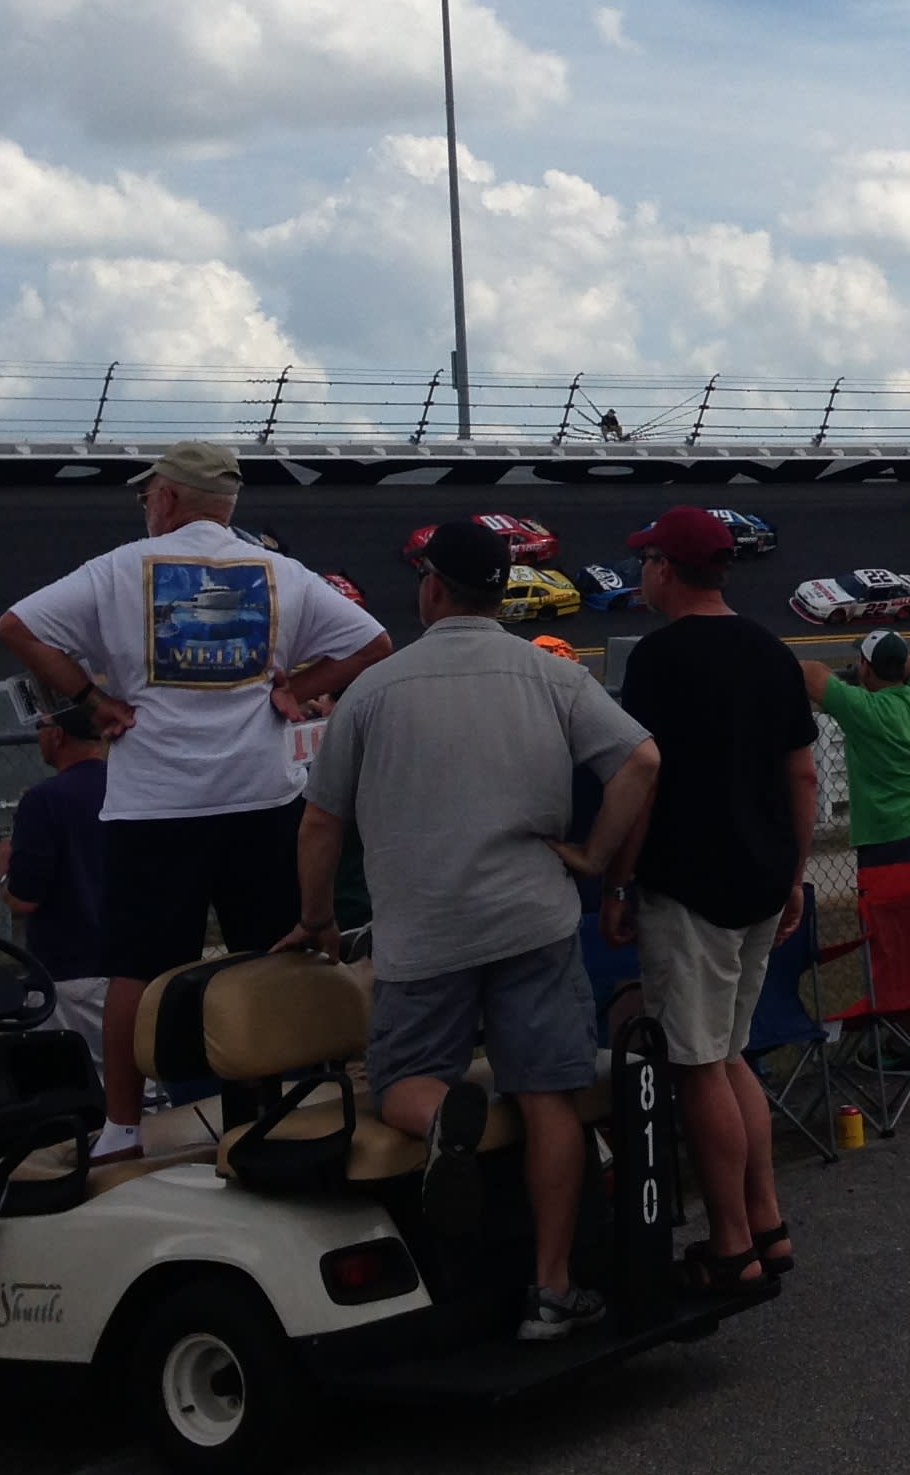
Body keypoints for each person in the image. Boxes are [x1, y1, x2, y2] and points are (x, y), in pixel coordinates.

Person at [281, 516, 658, 1339]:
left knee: (402, 1080)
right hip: (533, 915)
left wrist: (315, 920)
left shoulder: (374, 690)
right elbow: (641, 762)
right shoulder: (551, 677)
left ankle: (441, 1115)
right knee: (549, 1098)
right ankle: (552, 1292)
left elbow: (320, 824)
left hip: (422, 930)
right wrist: (596, 857)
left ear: (433, 589)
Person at [0, 439, 393, 1162]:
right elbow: (373, 642)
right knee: (270, 958)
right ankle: (275, 1102)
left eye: (148, 495)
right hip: (262, 798)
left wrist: (92, 699)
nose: (145, 505)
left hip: (155, 807)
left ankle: (121, 1128)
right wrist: (297, 691)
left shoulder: (120, 569)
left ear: (170, 498)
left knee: (136, 972)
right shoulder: (280, 572)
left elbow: (16, 626)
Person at [613, 508, 817, 1293]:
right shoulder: (773, 652)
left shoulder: (659, 660)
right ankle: (767, 1222)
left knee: (698, 1066)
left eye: (646, 560)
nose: (642, 574)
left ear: (666, 567)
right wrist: (795, 872)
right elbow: (802, 776)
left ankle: (730, 1242)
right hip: (764, 879)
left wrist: (620, 879)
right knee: (730, 1058)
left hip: (689, 884)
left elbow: (644, 776)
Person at [0, 696, 112, 1067]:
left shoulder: (44, 800)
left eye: (41, 728)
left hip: (70, 973)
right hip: (134, 967)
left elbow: (23, 899)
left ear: (57, 736)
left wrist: (4, 869)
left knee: (74, 1085)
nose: (39, 736)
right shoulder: (134, 786)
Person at [804, 627, 910, 873]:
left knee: (888, 912)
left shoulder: (863, 707)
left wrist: (852, 680)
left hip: (889, 839)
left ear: (865, 666)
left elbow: (810, 672)